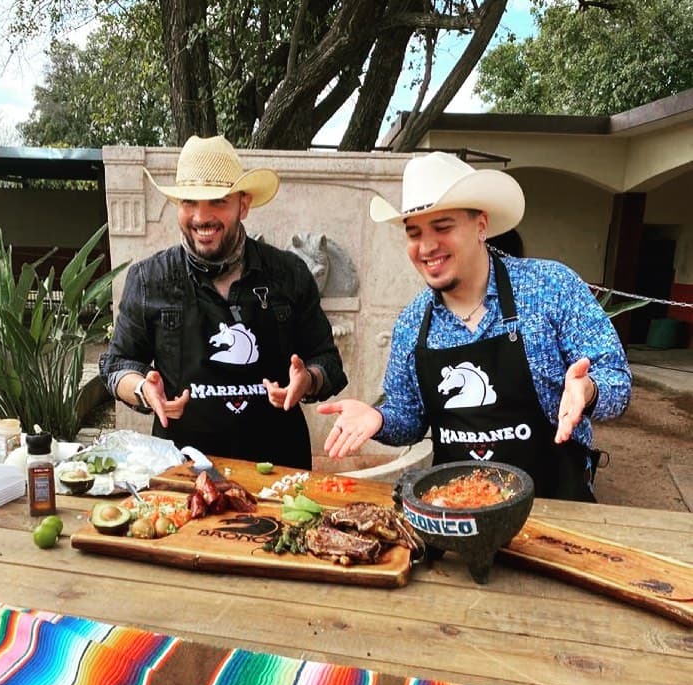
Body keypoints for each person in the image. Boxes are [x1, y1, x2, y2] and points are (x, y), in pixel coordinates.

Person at [318, 151, 631, 501]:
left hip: (557, 504)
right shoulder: (413, 322)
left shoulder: (550, 287)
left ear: (481, 226)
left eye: (442, 227)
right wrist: (378, 418)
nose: (427, 246)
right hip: (456, 510)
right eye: (414, 233)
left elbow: (617, 382)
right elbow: (408, 418)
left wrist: (587, 390)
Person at [100, 135, 347, 470]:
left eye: (217, 201)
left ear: (242, 205)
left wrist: (308, 381)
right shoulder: (149, 279)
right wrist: (144, 389)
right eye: (189, 202)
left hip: (279, 468)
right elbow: (117, 365)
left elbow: (327, 361)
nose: (202, 217)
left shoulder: (289, 273)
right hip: (183, 468)